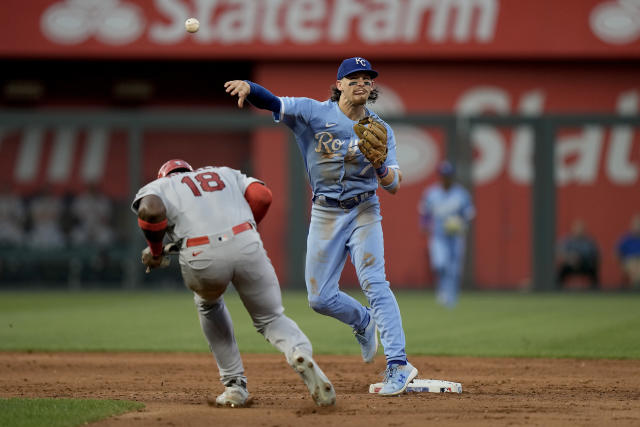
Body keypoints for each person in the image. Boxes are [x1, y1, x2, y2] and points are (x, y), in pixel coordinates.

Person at [225, 56, 418, 396]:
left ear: (372, 87)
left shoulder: (380, 129)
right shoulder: (313, 113)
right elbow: (273, 102)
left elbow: (394, 184)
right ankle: (363, 321)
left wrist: (379, 167)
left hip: (364, 211)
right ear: (339, 84)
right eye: (353, 78)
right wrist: (249, 87)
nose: (362, 82)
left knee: (375, 283)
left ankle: (398, 365)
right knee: (319, 298)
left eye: (367, 78)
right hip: (326, 213)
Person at [131, 159, 336, 408]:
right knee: (271, 318)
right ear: (191, 170)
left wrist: (155, 250)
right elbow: (262, 196)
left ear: (165, 175)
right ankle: (298, 352)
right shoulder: (224, 173)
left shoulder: (161, 185)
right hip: (246, 242)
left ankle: (234, 386)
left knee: (209, 304)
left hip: (201, 255)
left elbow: (151, 210)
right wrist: (245, 231)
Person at [417, 161, 475, 308]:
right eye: (443, 175)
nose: (446, 178)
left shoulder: (461, 194)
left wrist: (462, 224)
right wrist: (424, 225)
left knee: (454, 269)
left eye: (448, 175)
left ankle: (451, 297)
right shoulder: (432, 193)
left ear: (452, 177)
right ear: (440, 176)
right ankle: (442, 291)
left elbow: (468, 214)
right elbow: (425, 212)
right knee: (440, 264)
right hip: (438, 236)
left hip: (456, 236)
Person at [556, 219, 600, 290]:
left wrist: (583, 259)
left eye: (581, 229)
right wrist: (569, 258)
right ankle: (557, 290)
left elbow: (595, 254)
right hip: (571, 265)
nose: (579, 231)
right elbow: (559, 252)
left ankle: (596, 291)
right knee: (562, 271)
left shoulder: (589, 241)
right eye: (577, 229)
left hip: (585, 265)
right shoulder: (568, 241)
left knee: (593, 270)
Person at [616, 214, 640, 289]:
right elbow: (617, 253)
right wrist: (622, 264)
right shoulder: (626, 239)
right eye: (635, 225)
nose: (637, 227)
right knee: (634, 266)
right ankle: (636, 289)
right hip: (629, 261)